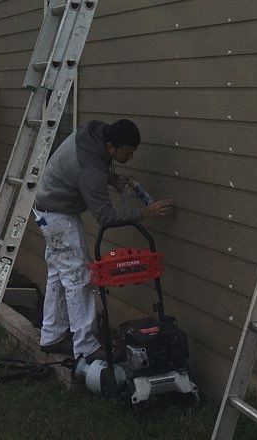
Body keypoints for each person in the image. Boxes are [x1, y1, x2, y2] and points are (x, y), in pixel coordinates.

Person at [30, 118, 172, 369]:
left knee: (59, 274)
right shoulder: (91, 171)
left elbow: (88, 166)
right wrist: (145, 212)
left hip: (46, 208)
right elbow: (106, 217)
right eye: (126, 153)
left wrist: (112, 178)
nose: (130, 157)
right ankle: (86, 348)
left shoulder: (93, 131)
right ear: (110, 147)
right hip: (58, 216)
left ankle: (51, 336)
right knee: (78, 278)